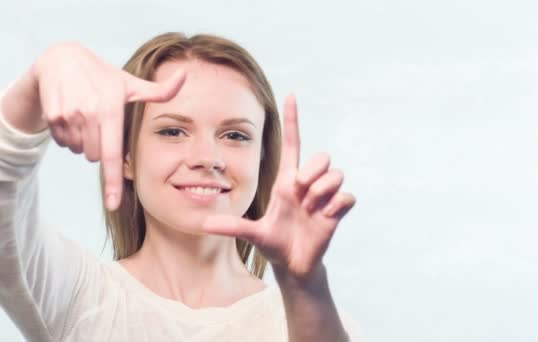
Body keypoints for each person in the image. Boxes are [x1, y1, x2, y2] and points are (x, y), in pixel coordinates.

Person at [0, 32, 357, 341]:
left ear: (262, 161)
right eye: (172, 131)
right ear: (125, 156)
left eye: (235, 135)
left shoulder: (315, 319)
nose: (207, 157)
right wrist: (43, 75)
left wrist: (304, 288)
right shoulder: (78, 297)